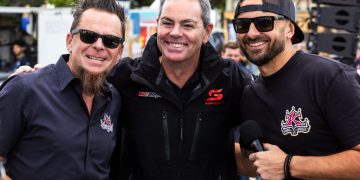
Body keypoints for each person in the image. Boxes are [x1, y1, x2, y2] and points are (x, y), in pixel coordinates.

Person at [108, 0, 252, 179]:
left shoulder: (230, 80)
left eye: (188, 25)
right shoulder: (127, 78)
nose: (175, 33)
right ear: (157, 25)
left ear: (207, 32)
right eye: (167, 23)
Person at [233, 0, 360, 179]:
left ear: (290, 30)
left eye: (264, 23)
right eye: (242, 25)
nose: (252, 33)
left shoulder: (328, 77)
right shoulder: (249, 95)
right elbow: (257, 164)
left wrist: (288, 165)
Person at [0, 0, 125, 179]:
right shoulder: (25, 89)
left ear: (119, 52)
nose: (99, 45)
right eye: (88, 35)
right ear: (69, 41)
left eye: (110, 41)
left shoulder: (115, 100)